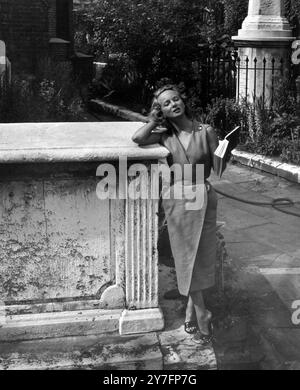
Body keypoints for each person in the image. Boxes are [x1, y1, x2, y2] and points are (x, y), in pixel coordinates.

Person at [132, 84, 219, 345]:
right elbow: (137, 138)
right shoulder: (163, 134)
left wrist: (226, 150)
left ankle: (192, 310)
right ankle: (203, 311)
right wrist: (152, 119)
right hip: (177, 198)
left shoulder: (206, 131)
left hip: (203, 195)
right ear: (162, 111)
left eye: (176, 99)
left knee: (201, 254)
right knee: (185, 256)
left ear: (184, 100)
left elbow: (218, 167)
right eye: (166, 103)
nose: (173, 105)